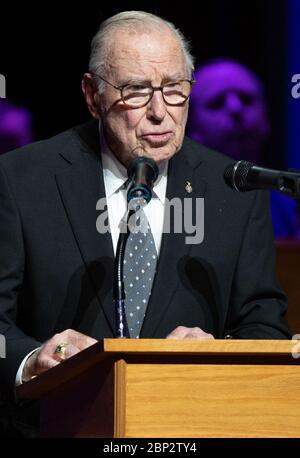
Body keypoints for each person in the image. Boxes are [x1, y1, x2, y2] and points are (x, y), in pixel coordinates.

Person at [0, 11, 290, 437]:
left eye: (174, 89)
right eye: (136, 91)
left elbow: (265, 324)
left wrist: (220, 352)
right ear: (92, 94)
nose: (159, 112)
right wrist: (31, 361)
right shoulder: (21, 178)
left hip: (188, 428)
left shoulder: (233, 188)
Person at [186, 59, 299, 238]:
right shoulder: (178, 201)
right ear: (190, 125)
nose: (235, 108)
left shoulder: (286, 206)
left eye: (247, 99)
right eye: (216, 103)